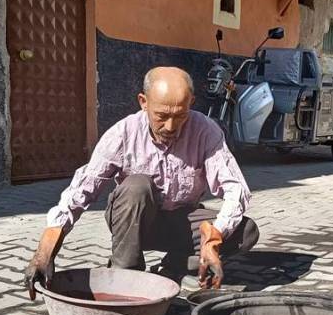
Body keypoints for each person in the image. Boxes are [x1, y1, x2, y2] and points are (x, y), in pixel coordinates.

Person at [24, 66, 258, 298]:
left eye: (180, 116)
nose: (171, 127)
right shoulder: (123, 133)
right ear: (143, 102)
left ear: (191, 103)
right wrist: (45, 252)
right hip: (134, 221)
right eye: (162, 116)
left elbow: (236, 188)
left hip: (180, 223)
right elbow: (80, 192)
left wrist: (214, 237)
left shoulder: (206, 131)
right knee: (136, 186)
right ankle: (126, 271)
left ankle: (173, 267)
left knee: (245, 231)